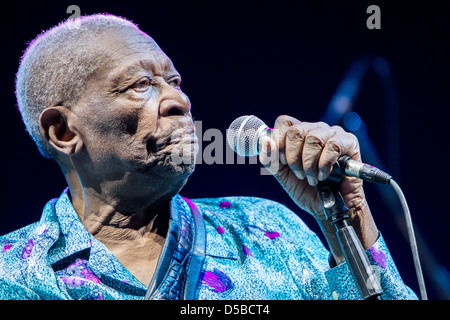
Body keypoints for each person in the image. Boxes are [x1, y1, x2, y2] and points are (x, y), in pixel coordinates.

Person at [0, 13, 417, 300]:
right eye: (141, 84)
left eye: (175, 81)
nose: (179, 99)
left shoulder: (265, 227)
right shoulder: (15, 274)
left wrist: (347, 216)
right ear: (63, 131)